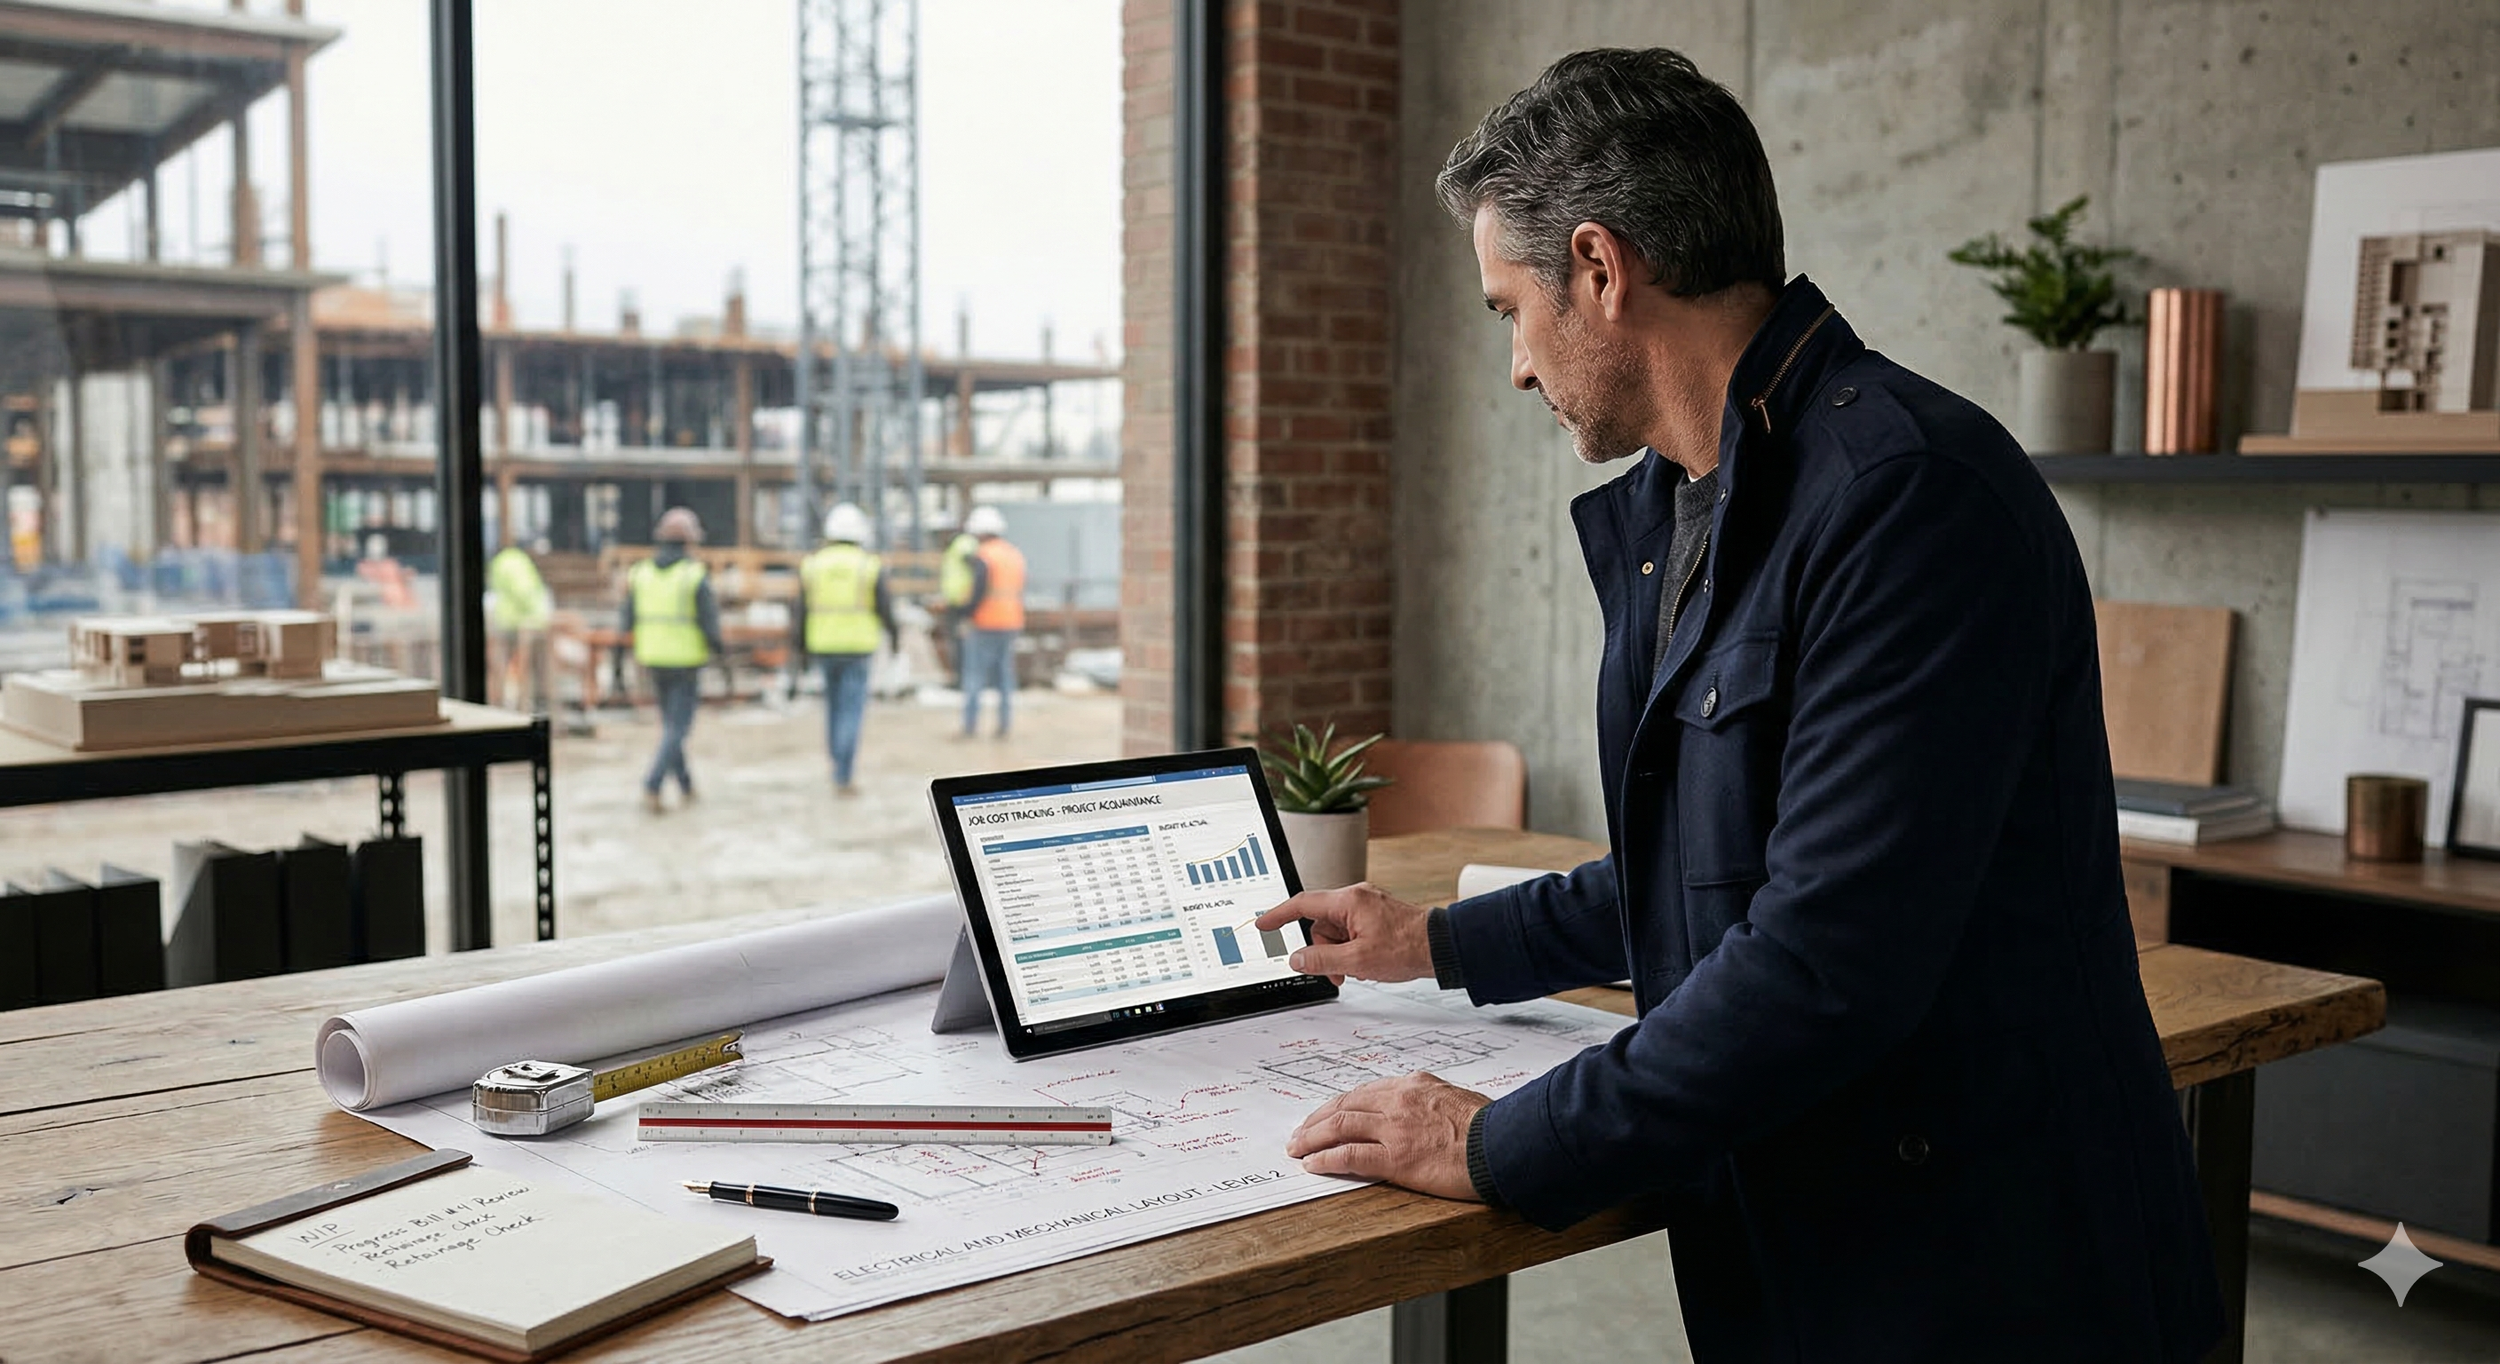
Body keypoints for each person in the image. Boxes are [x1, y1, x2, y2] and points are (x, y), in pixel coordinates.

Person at [1255, 49, 2222, 1362]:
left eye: (1507, 309)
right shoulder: (1679, 510)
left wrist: (1501, 1140)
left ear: (1599, 269)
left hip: (1990, 1279)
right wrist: (1437, 943)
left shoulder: (1911, 500)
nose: (1517, 368)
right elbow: (1706, 874)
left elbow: (1823, 959)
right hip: (1814, 1254)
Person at [622, 506, 724, 814]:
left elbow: (626, 619)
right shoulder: (693, 575)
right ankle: (653, 784)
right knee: (677, 727)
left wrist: (617, 661)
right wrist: (721, 655)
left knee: (670, 725)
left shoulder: (641, 573)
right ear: (689, 541)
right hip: (685, 661)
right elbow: (710, 623)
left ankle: (686, 784)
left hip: (652, 657)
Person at [796, 502, 895, 794]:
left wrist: (799, 649)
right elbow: (885, 607)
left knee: (833, 708)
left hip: (823, 644)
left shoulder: (813, 564)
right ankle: (844, 772)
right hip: (858, 647)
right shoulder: (869, 565)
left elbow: (800, 610)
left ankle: (835, 762)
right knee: (851, 710)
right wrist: (896, 638)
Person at [956, 504, 1024, 739]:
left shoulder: (983, 556)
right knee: (1004, 676)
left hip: (984, 623)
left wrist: (964, 614)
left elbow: (978, 591)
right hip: (1011, 622)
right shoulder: (1013, 554)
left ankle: (970, 726)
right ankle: (1004, 725)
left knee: (974, 676)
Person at [486, 536, 553, 714]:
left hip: (504, 620)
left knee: (502, 669)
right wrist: (539, 616)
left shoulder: (499, 562)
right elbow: (524, 591)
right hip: (524, 623)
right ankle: (528, 708)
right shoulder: (517, 561)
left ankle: (499, 707)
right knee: (528, 670)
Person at [936, 523, 980, 688]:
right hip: (958, 601)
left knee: (962, 643)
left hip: (963, 602)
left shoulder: (963, 544)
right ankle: (962, 678)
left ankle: (963, 679)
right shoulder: (958, 546)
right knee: (958, 642)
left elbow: (975, 567)